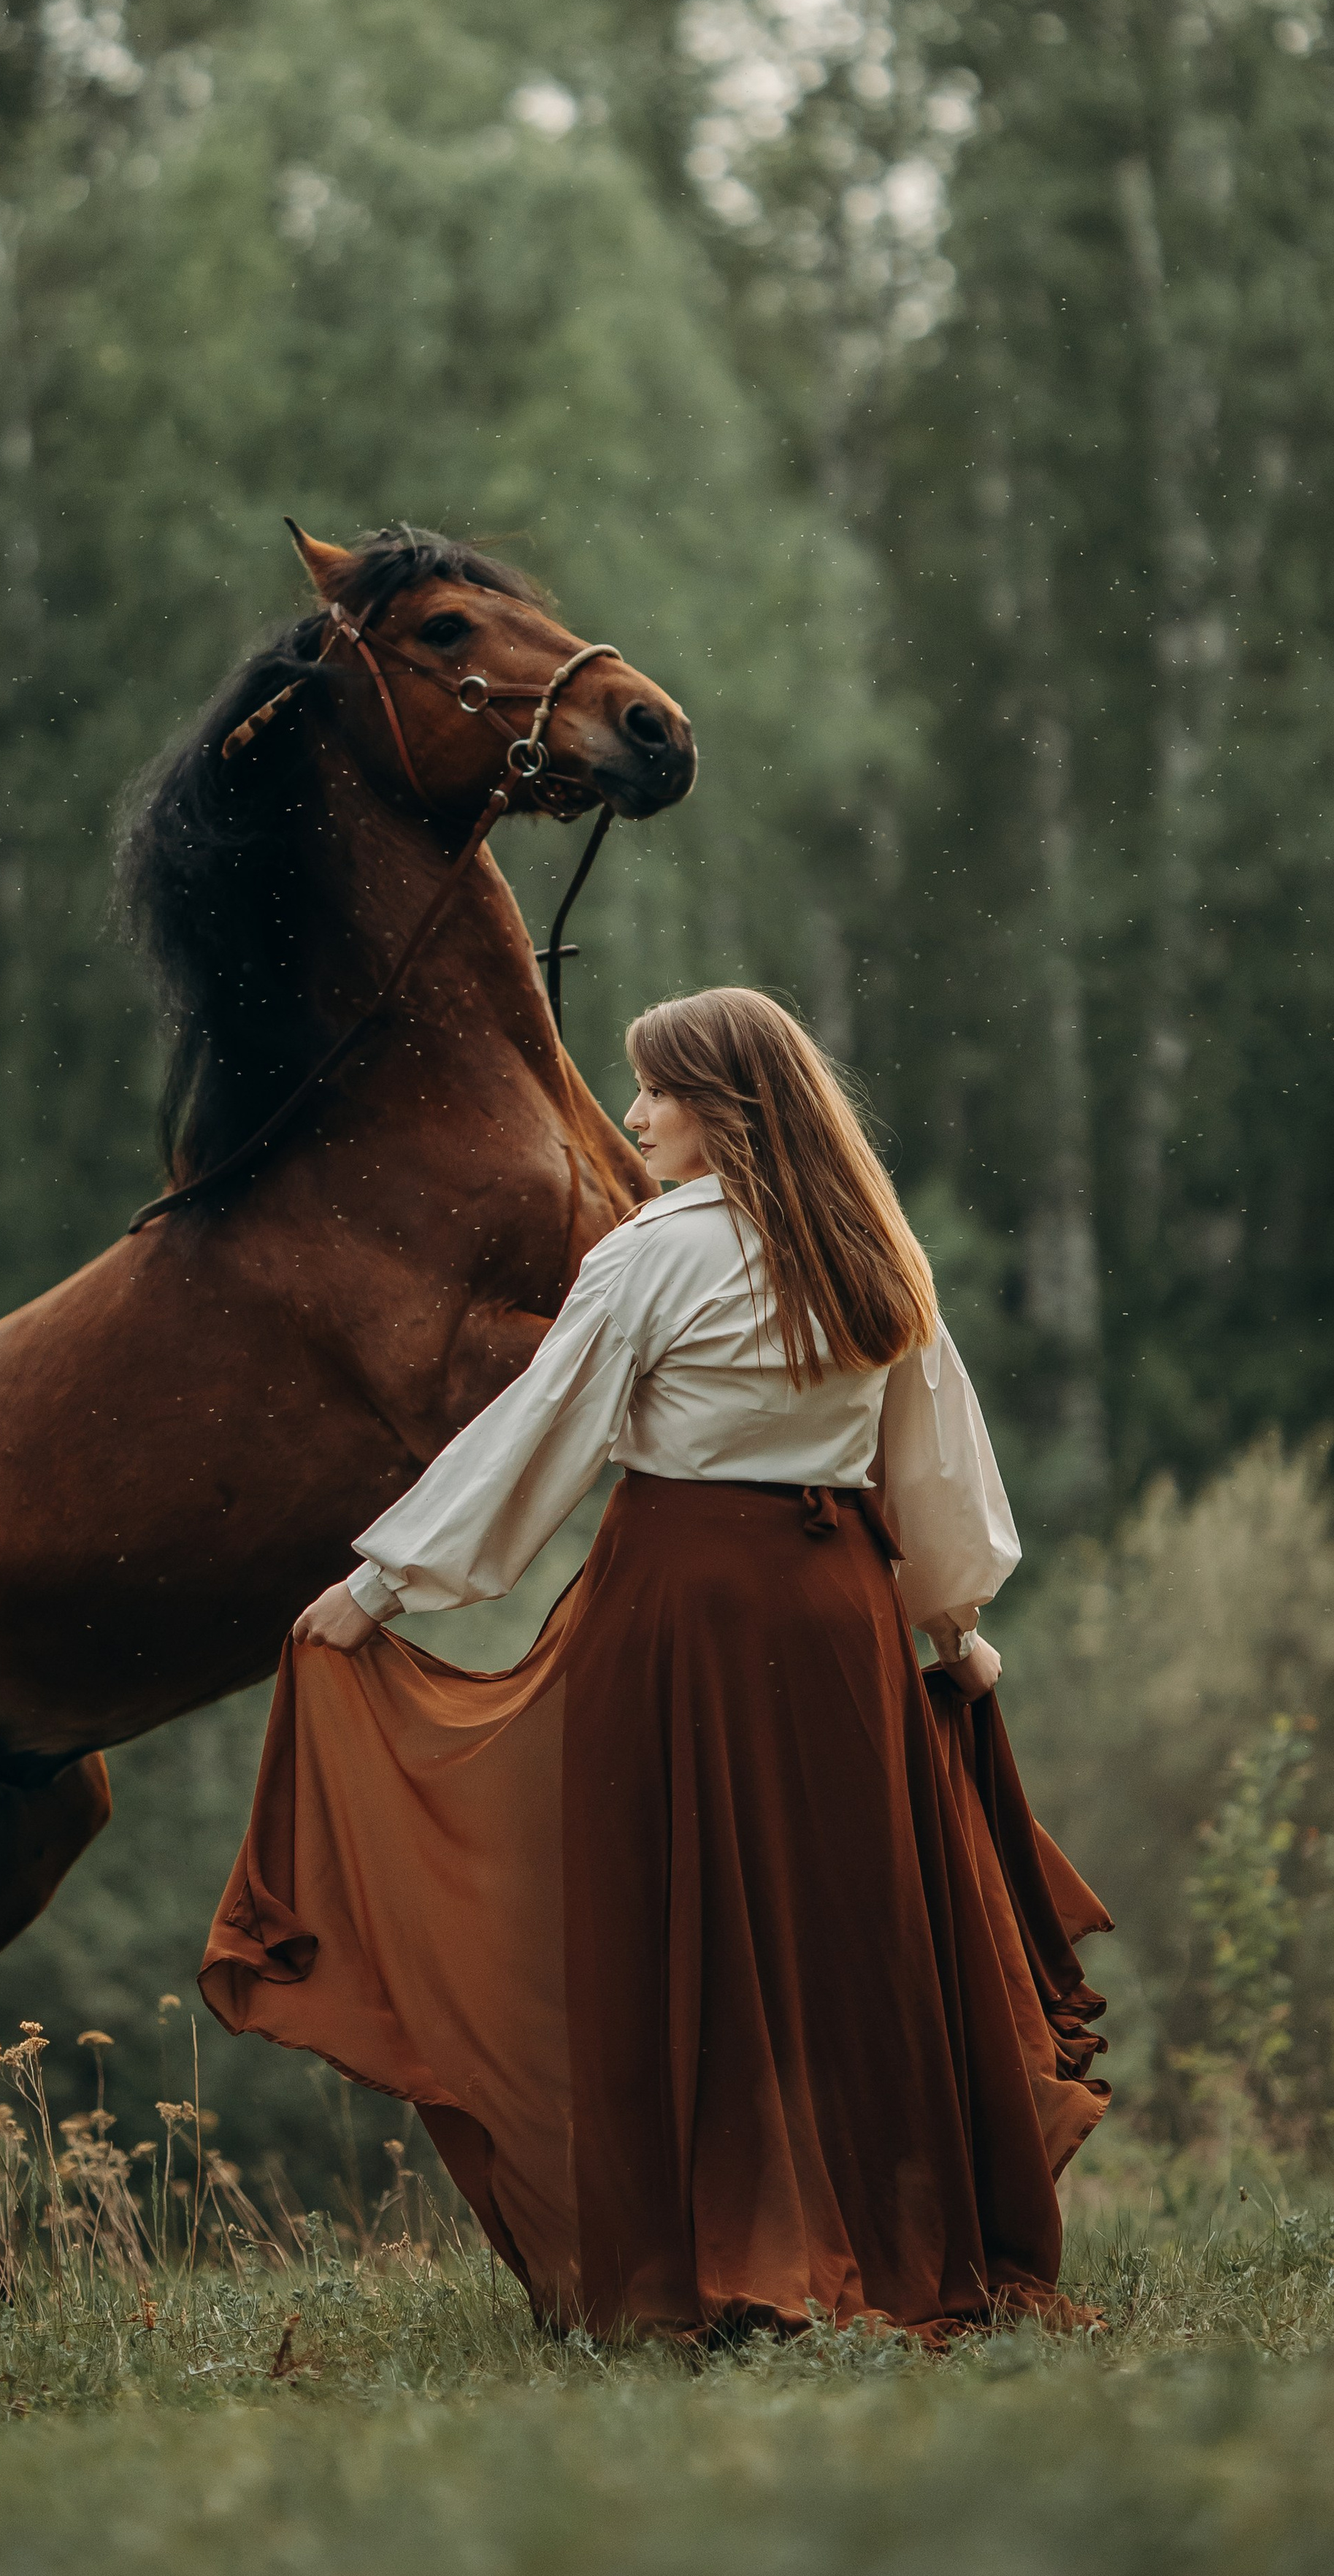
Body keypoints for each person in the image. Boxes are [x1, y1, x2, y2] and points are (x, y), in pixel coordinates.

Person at [201, 987, 1109, 2341]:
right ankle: (894, 2243)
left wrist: (381, 1584)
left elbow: (539, 1433)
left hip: (680, 1609)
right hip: (836, 1614)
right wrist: (951, 1633)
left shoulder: (648, 1255)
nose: (633, 1118)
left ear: (724, 1108)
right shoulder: (873, 1247)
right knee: (850, 1934)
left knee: (669, 1932)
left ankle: (693, 2262)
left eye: (656, 1093)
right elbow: (931, 1464)